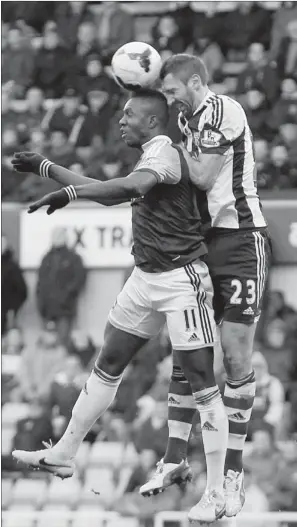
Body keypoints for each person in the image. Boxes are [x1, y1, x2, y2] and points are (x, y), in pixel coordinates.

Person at [12, 89, 227, 524]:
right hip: (145, 277)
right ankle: (65, 452)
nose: (121, 121)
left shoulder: (165, 153)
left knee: (202, 381)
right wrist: (46, 168)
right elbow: (113, 192)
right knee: (108, 359)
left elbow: (127, 188)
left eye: (129, 115)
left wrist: (69, 193)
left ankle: (218, 491)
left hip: (179, 280)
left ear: (153, 122)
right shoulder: (150, 153)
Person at [143, 54, 271, 519]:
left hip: (240, 240)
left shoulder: (223, 111)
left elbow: (199, 176)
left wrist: (162, 155)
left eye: (174, 88)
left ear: (196, 82)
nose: (169, 96)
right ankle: (175, 457)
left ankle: (233, 472)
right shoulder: (183, 116)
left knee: (236, 356)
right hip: (199, 240)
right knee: (189, 348)